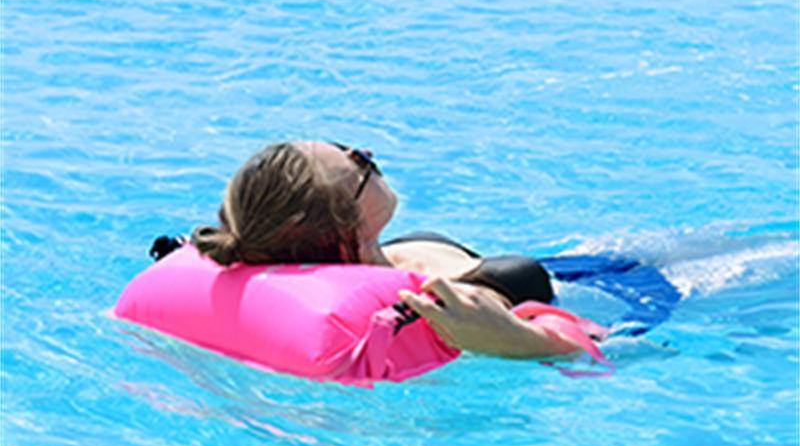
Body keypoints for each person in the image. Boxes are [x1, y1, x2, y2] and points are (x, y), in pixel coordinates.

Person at [174, 141, 680, 360]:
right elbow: (601, 350)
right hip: (654, 302)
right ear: (346, 224)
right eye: (359, 163)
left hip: (586, 267)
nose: (367, 154)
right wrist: (519, 343)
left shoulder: (370, 256)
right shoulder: (437, 307)